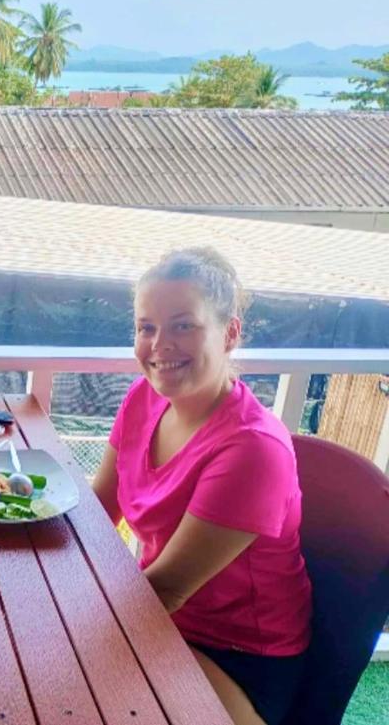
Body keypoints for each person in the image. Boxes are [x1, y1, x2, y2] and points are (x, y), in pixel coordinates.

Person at [93, 247, 311, 725]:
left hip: (237, 657)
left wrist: (65, 627)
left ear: (229, 332)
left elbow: (167, 589)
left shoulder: (253, 451)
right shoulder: (142, 399)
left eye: (183, 325)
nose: (159, 345)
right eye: (146, 327)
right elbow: (96, 512)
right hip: (157, 618)